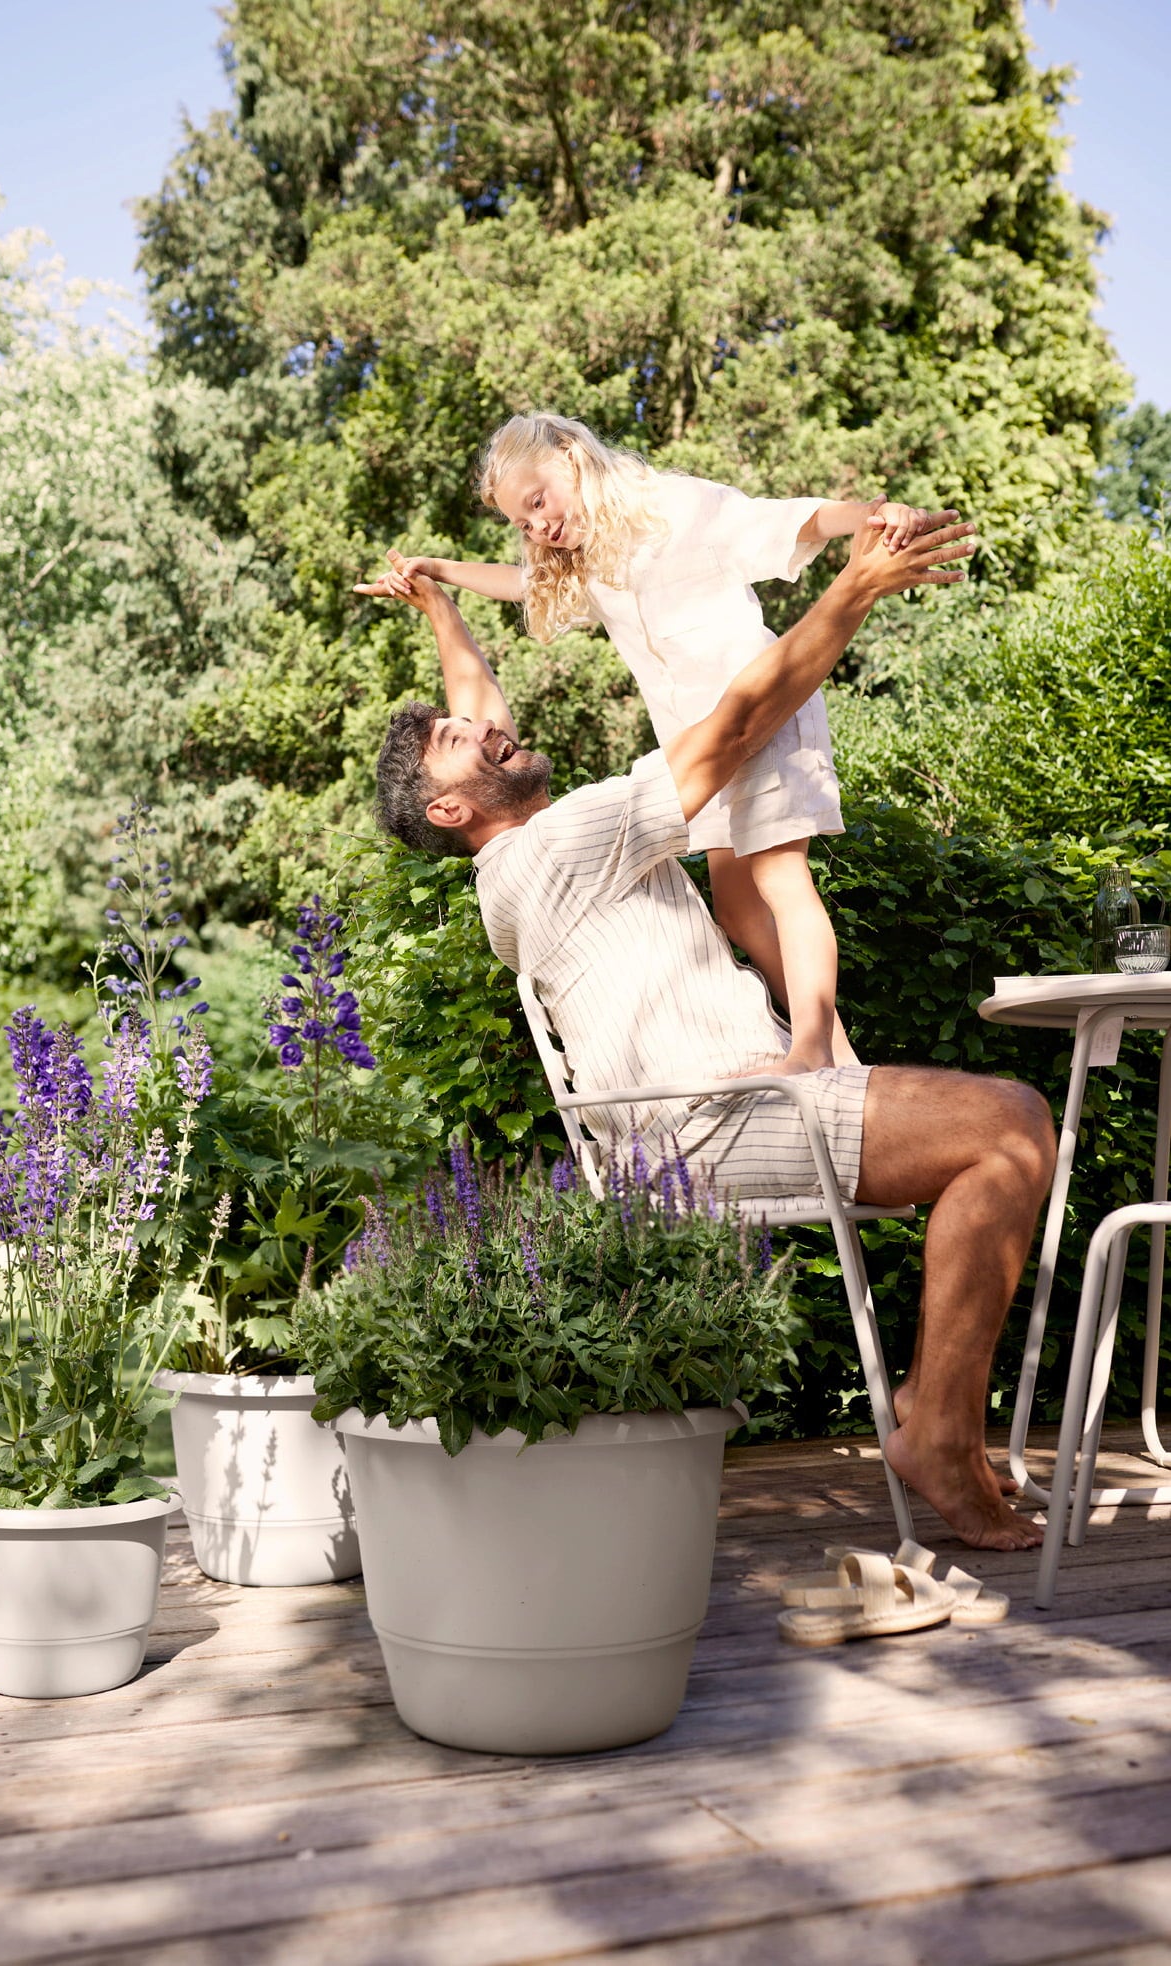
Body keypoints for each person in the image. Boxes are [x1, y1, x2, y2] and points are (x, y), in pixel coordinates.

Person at [365, 516, 1055, 1553]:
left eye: (475, 725)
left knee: (1009, 1127)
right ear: (452, 810)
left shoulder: (508, 872)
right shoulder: (559, 844)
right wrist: (855, 589)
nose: (489, 726)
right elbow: (732, 730)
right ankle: (938, 1434)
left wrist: (439, 605)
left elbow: (479, 710)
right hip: (713, 1125)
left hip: (717, 1115)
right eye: (461, 744)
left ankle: (933, 1410)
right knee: (1007, 1125)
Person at [359, 411, 937, 1075]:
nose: (536, 527)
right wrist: (438, 571)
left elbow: (784, 521)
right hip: (698, 751)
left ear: (572, 459)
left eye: (538, 502)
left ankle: (808, 1049)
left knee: (780, 878)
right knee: (738, 912)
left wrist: (870, 516)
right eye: (521, 522)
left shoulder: (674, 509)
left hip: (765, 710)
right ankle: (843, 1063)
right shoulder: (589, 562)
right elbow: (523, 583)